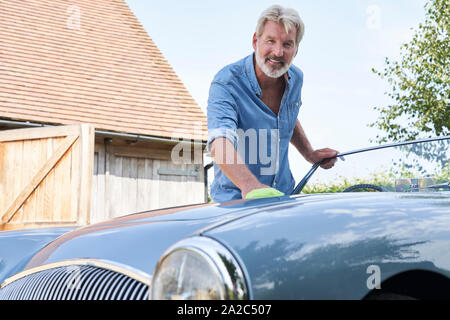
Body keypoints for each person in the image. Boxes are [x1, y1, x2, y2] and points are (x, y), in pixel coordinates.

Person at [207, 5, 339, 202]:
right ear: (255, 41)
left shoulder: (296, 78)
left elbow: (286, 117)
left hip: (283, 197)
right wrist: (250, 186)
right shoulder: (226, 82)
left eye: (287, 44)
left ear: (296, 49)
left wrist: (309, 154)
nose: (278, 52)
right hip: (236, 202)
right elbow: (220, 141)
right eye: (270, 41)